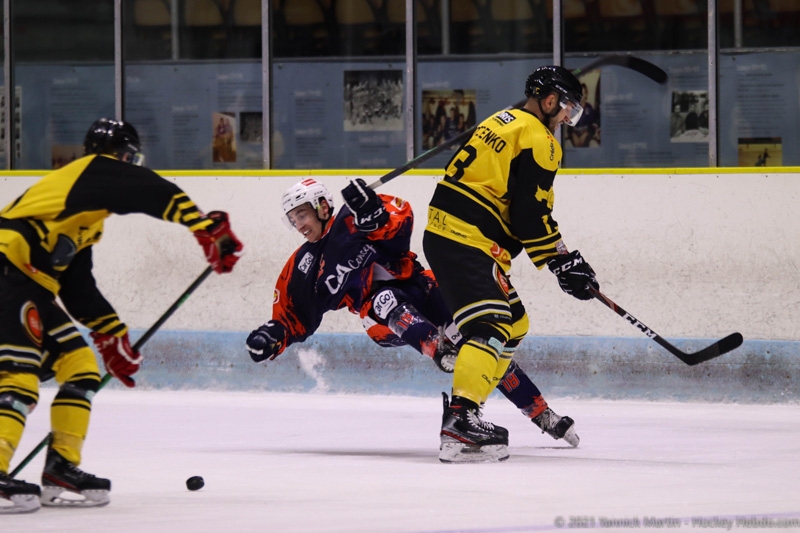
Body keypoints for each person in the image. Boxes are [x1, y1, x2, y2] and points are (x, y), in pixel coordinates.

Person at [0, 118, 243, 513]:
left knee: (80, 367)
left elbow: (78, 287)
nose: (131, 165)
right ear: (120, 156)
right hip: (7, 271)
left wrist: (111, 333)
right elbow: (145, 188)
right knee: (18, 375)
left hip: (30, 286)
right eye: (129, 158)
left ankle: (62, 467)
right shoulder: (88, 171)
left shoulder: (84, 216)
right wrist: (200, 225)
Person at [244, 179, 579, 448]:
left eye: (302, 214)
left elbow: (401, 219)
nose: (299, 224)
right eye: (293, 219)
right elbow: (293, 316)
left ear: (321, 205)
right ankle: (438, 348)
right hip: (379, 316)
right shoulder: (302, 267)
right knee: (386, 299)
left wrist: (374, 213)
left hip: (420, 286)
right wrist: (272, 335)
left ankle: (541, 413)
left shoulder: (352, 218)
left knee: (480, 343)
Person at [423, 65, 600, 463]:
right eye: (567, 110)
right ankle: (461, 420)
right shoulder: (541, 139)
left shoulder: (502, 120)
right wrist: (562, 260)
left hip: (453, 233)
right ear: (550, 100)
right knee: (490, 325)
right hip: (465, 237)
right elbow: (529, 216)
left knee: (514, 322)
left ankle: (470, 411)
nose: (566, 120)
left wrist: (560, 257)